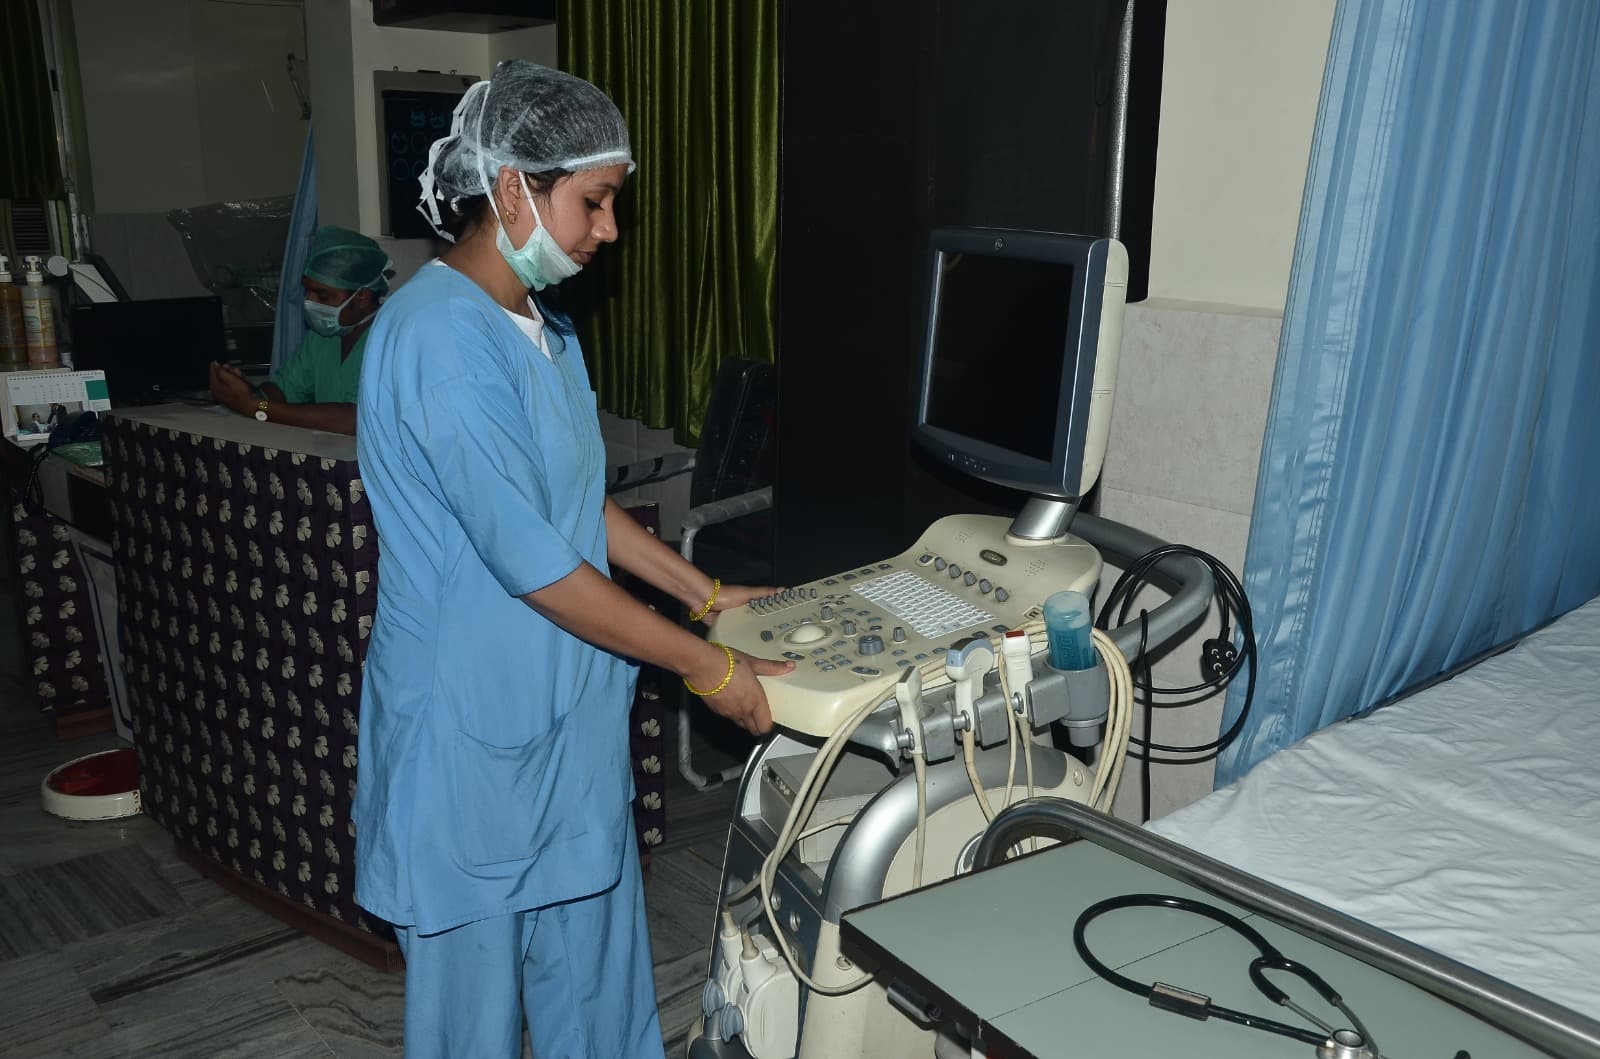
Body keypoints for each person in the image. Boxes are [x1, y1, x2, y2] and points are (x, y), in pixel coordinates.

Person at [352, 60, 793, 1058]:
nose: (608, 229)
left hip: (566, 724)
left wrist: (704, 593)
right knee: (470, 1024)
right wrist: (706, 665)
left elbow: (571, 507)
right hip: (469, 739)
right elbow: (535, 566)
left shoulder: (543, 329)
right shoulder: (434, 340)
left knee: (595, 994)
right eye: (592, 201)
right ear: (511, 186)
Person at [208, 226, 391, 435]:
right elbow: (283, 392)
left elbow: (353, 420)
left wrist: (257, 407)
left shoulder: (390, 340)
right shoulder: (322, 338)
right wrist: (248, 393)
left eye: (322, 295)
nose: (309, 302)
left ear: (362, 297)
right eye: (308, 291)